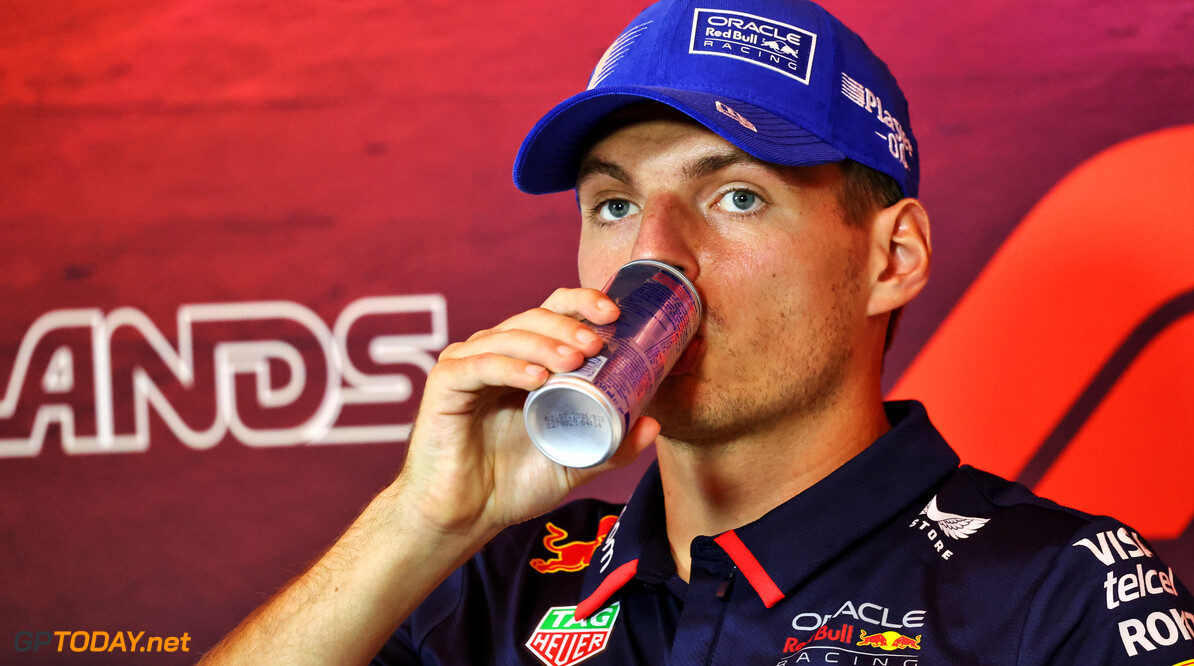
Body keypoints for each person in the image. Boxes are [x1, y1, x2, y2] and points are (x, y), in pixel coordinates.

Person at [203, 0, 1194, 663]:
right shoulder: (498, 582)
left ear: (891, 259)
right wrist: (422, 526)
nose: (655, 253)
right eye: (611, 204)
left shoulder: (1053, 595)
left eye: (736, 196)